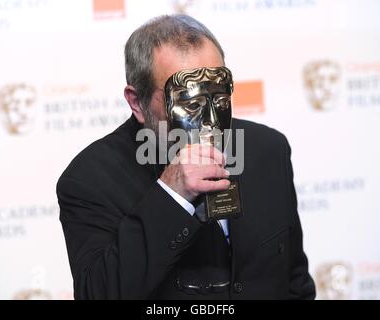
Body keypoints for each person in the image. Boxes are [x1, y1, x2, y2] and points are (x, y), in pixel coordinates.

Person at [57, 14, 315, 299]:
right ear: (137, 102)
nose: (211, 121)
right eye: (190, 103)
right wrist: (171, 194)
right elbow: (100, 293)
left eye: (219, 97)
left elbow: (294, 281)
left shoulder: (267, 149)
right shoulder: (89, 179)